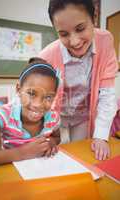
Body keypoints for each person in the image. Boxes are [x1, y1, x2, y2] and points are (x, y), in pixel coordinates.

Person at [39, 0, 118, 160]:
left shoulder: (105, 41)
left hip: (82, 115)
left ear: (94, 17)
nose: (74, 42)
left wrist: (101, 136)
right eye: (64, 34)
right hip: (56, 116)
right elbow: (37, 98)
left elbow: (107, 94)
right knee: (54, 155)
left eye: (80, 28)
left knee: (82, 154)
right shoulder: (46, 56)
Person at [0, 57, 61, 166]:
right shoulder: (3, 115)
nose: (38, 104)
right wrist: (22, 153)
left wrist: (51, 142)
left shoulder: (53, 117)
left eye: (48, 97)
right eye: (31, 93)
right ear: (18, 89)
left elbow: (57, 137)